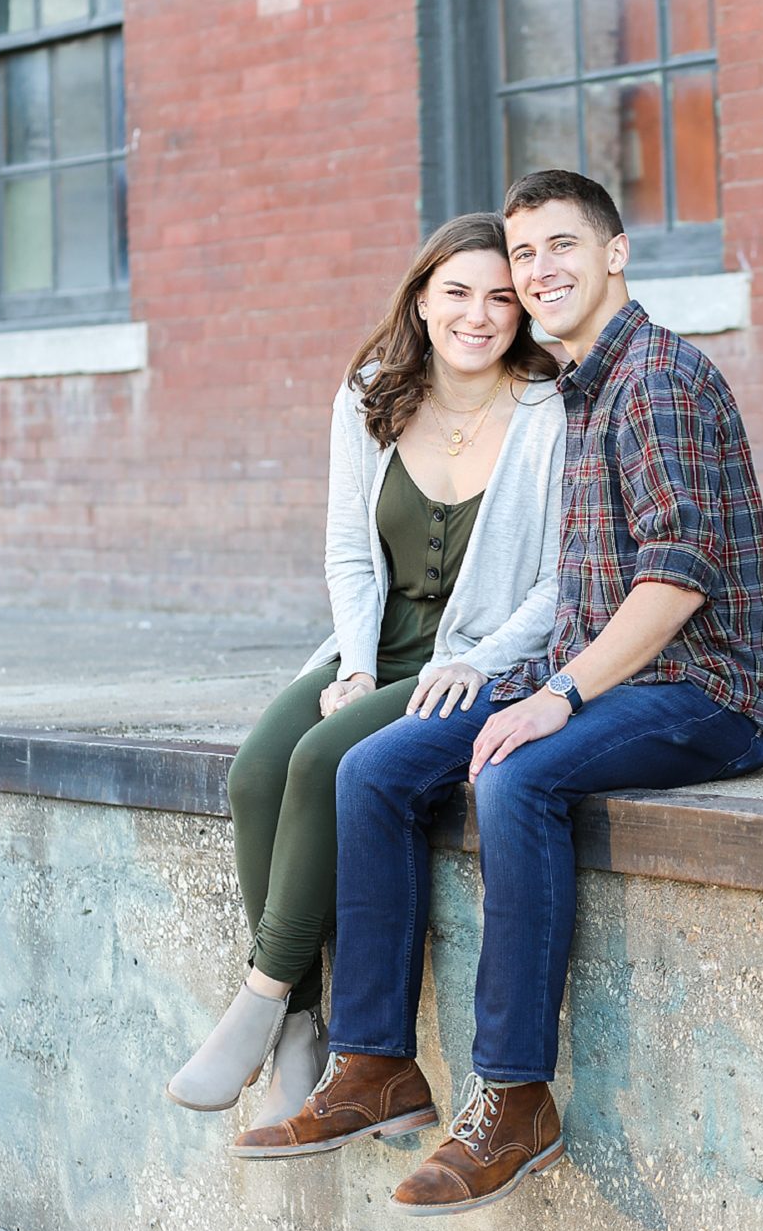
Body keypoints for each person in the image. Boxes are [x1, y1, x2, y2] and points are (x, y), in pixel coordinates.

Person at [243, 169, 763, 1213]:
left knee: (516, 777)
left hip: (704, 691)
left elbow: (677, 578)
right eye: (523, 252)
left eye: (560, 248)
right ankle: (373, 1064)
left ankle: (514, 1094)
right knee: (374, 766)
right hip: (589, 675)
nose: (537, 271)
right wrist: (508, 675)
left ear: (616, 253)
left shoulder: (657, 381)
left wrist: (557, 697)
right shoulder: (574, 385)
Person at [165, 211, 565, 1140]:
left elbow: (559, 579)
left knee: (319, 765)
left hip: (467, 662)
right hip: (373, 644)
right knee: (256, 771)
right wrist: (349, 663)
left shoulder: (549, 411)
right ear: (421, 299)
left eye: (501, 298)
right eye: (456, 292)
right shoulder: (369, 393)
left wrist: (480, 659)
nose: (478, 315)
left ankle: (262, 1000)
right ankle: (303, 1030)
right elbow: (350, 550)